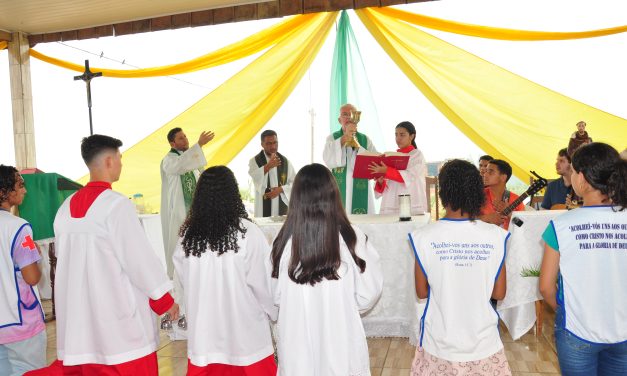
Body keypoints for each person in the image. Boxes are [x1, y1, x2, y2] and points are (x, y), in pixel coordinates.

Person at [29, 135, 178, 375]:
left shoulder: (65, 208)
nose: (121, 163)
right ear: (109, 161)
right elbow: (139, 262)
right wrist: (164, 300)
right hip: (118, 325)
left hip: (81, 325)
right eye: (120, 158)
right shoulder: (116, 205)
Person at [269, 163, 383, 375]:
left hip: (297, 341)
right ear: (333, 195)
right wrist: (342, 307)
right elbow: (369, 293)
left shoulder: (283, 241)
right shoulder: (351, 237)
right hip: (340, 340)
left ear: (296, 199)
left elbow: (275, 295)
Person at [409, 159, 511, 376]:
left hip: (439, 342)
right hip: (484, 343)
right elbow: (499, 292)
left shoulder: (423, 237)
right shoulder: (496, 236)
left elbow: (421, 291)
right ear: (477, 192)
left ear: (443, 192)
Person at [173, 165, 277, 375]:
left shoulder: (187, 238)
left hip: (205, 337)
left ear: (199, 196)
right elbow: (264, 286)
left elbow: (184, 281)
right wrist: (274, 313)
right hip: (245, 338)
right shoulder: (248, 233)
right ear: (233, 193)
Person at [539, 142, 627, 376]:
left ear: (582, 178)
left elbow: (546, 287)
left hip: (577, 330)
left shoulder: (560, 226)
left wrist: (564, 311)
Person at [0, 165, 46, 375]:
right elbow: (32, 277)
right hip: (20, 321)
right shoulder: (18, 226)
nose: (24, 191)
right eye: (19, 185)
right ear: (3, 191)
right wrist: (36, 258)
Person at [161, 127, 215, 278]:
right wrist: (199, 145)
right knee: (181, 242)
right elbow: (180, 165)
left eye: (185, 136)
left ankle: (200, 269)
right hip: (180, 210)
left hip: (197, 210)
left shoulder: (192, 159)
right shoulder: (169, 160)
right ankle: (179, 274)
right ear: (172, 144)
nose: (185, 139)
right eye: (180, 138)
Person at [323, 103, 378, 214]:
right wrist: (343, 139)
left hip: (361, 190)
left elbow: (374, 162)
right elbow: (328, 159)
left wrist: (358, 147)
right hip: (338, 188)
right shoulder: (332, 138)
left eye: (351, 114)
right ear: (339, 120)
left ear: (357, 118)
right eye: (345, 114)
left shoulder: (365, 139)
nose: (348, 117)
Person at [371, 121, 428, 215]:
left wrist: (386, 171)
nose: (398, 138)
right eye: (396, 135)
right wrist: (381, 181)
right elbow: (385, 186)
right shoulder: (390, 157)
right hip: (390, 203)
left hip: (411, 203)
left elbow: (407, 177)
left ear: (412, 136)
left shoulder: (416, 155)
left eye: (402, 135)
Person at [248, 130, 296, 217]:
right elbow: (255, 178)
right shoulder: (254, 161)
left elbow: (295, 183)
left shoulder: (285, 162)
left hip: (281, 206)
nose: (273, 146)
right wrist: (268, 166)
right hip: (262, 207)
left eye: (275, 143)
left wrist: (281, 189)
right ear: (262, 144)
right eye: (269, 143)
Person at [479, 159, 525, 230]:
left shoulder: (516, 200)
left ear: (503, 177)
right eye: (486, 171)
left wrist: (510, 214)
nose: (485, 175)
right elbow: (465, 219)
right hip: (483, 239)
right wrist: (487, 218)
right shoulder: (478, 195)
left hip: (507, 240)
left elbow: (522, 225)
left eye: (490, 172)